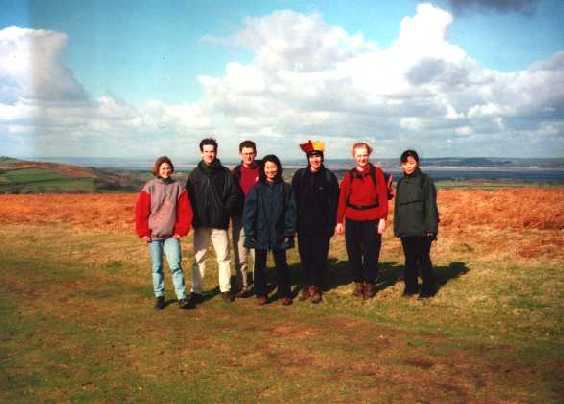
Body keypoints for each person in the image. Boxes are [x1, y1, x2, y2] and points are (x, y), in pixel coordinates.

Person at [186, 138, 241, 304]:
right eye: (207, 151)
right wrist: (192, 217)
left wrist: (225, 211)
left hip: (220, 223)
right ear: (201, 152)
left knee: (223, 257)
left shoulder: (225, 173)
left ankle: (225, 289)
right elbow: (188, 198)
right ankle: (196, 291)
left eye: (212, 151)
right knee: (198, 258)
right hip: (201, 223)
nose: (210, 154)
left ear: (216, 152)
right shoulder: (194, 174)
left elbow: (234, 195)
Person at [135, 156, 193, 310]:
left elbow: (185, 211)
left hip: (171, 235)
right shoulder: (150, 187)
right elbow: (141, 212)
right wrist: (144, 232)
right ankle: (160, 296)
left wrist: (181, 231)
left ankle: (181, 297)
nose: (166, 170)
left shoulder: (178, 187)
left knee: (175, 266)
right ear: (157, 170)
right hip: (153, 236)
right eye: (163, 168)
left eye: (168, 168)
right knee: (157, 267)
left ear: (171, 169)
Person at [335, 142, 389, 299]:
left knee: (372, 252)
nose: (362, 158)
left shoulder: (376, 173)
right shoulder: (349, 175)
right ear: (354, 156)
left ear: (369, 155)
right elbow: (342, 199)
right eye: (359, 155)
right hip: (352, 219)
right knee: (353, 252)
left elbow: (383, 197)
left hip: (372, 218)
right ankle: (358, 283)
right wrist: (339, 221)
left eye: (364, 155)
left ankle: (370, 283)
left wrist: (382, 219)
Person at [243, 154, 297, 306]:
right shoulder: (257, 189)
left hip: (280, 232)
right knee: (260, 264)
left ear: (278, 168)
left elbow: (291, 212)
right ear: (263, 169)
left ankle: (285, 293)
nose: (271, 170)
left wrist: (289, 232)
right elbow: (249, 212)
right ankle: (261, 293)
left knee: (281, 263)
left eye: (273, 167)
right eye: (267, 167)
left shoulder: (286, 188)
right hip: (261, 232)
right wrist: (250, 233)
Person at [291, 140, 339, 304]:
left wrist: (332, 224)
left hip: (322, 225)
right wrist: (294, 223)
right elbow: (293, 201)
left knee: (319, 257)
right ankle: (306, 285)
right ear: (308, 158)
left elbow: (334, 204)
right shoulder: (299, 176)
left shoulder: (329, 177)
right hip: (303, 225)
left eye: (318, 156)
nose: (315, 159)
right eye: (312, 156)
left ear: (322, 158)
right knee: (305, 256)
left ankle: (316, 287)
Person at [394, 150, 439, 298]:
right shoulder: (401, 182)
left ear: (417, 163)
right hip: (406, 228)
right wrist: (398, 227)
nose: (408, 166)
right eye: (405, 163)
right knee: (409, 259)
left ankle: (428, 289)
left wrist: (431, 229)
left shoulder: (425, 180)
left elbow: (431, 205)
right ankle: (411, 287)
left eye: (412, 163)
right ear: (401, 165)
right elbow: (398, 207)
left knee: (423, 258)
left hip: (422, 228)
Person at [231, 140, 260, 297]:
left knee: (257, 256)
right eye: (245, 153)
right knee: (241, 255)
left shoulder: (262, 171)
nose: (248, 156)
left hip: (258, 219)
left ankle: (258, 286)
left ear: (255, 153)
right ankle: (242, 286)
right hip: (239, 219)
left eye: (251, 153)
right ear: (240, 154)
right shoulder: (235, 173)